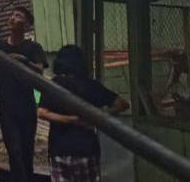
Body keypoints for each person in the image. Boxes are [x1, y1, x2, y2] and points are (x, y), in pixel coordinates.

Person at [38, 44, 130, 182]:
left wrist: (68, 119)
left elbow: (41, 112)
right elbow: (123, 104)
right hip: (86, 149)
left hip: (59, 150)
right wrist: (100, 114)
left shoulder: (54, 85)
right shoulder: (91, 85)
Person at [0, 6, 48, 182]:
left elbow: (39, 70)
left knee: (26, 151)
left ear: (27, 25)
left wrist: (23, 60)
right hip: (6, 110)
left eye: (18, 16)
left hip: (27, 109)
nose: (12, 18)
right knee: (14, 152)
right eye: (12, 14)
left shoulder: (33, 48)